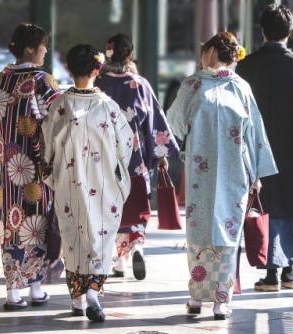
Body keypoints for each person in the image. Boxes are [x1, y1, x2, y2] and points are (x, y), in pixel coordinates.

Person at [167, 31, 277, 320]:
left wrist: (256, 175)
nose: (203, 55)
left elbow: (174, 125)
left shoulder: (195, 86)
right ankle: (202, 296)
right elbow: (256, 135)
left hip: (217, 172)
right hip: (229, 169)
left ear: (212, 52)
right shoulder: (239, 88)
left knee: (224, 233)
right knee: (202, 231)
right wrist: (257, 171)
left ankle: (218, 298)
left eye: (205, 50)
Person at [41, 44, 134, 321]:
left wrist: (52, 174)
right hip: (103, 182)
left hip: (69, 182)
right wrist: (118, 175)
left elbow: (47, 149)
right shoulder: (109, 106)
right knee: (100, 234)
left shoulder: (58, 106)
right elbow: (126, 144)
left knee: (72, 236)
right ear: (98, 69)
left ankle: (78, 299)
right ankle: (94, 292)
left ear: (68, 69)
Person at [0, 23, 61, 311]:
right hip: (32, 166)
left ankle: (13, 291)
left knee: (9, 224)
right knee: (36, 222)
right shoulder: (42, 80)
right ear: (30, 48)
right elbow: (58, 119)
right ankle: (36, 288)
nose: (46, 50)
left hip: (1, 167)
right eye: (43, 45)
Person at [235, 4, 293, 292]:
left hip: (256, 150)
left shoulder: (246, 66)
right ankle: (290, 271)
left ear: (262, 31)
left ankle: (269, 273)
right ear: (290, 31)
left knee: (264, 204)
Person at [94, 33, 179, 280]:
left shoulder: (99, 84)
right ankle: (137, 247)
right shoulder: (139, 84)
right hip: (135, 158)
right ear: (130, 55)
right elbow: (155, 121)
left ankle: (118, 261)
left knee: (110, 205)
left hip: (105, 159)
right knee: (137, 205)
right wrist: (161, 154)